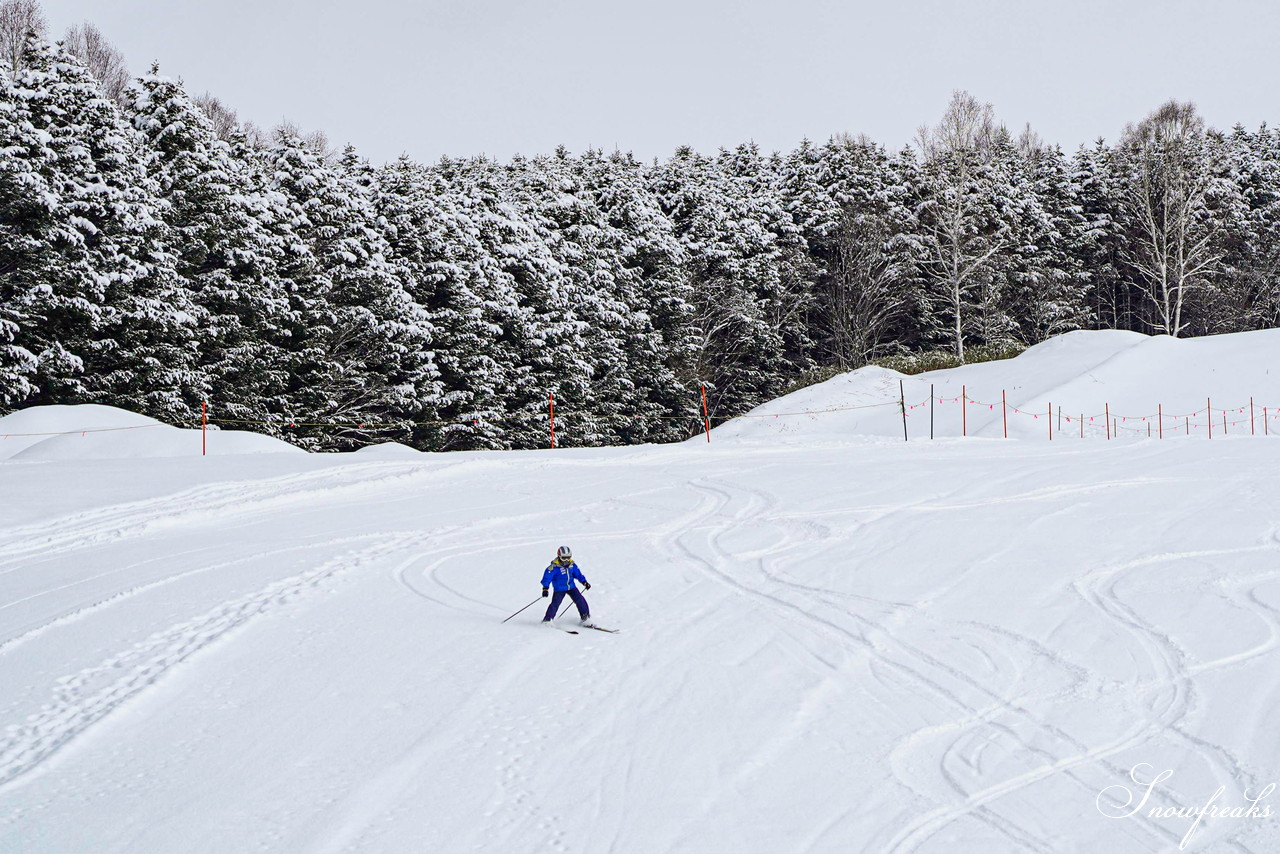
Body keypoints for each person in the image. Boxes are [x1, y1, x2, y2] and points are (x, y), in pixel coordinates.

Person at [541, 545, 593, 626]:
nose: (566, 560)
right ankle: (547, 620)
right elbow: (547, 578)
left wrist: (584, 582)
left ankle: (585, 617)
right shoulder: (554, 567)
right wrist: (545, 588)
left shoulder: (572, 565)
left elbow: (578, 574)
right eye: (564, 558)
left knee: (580, 600)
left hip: (571, 587)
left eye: (568, 557)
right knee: (555, 603)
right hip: (559, 589)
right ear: (559, 556)